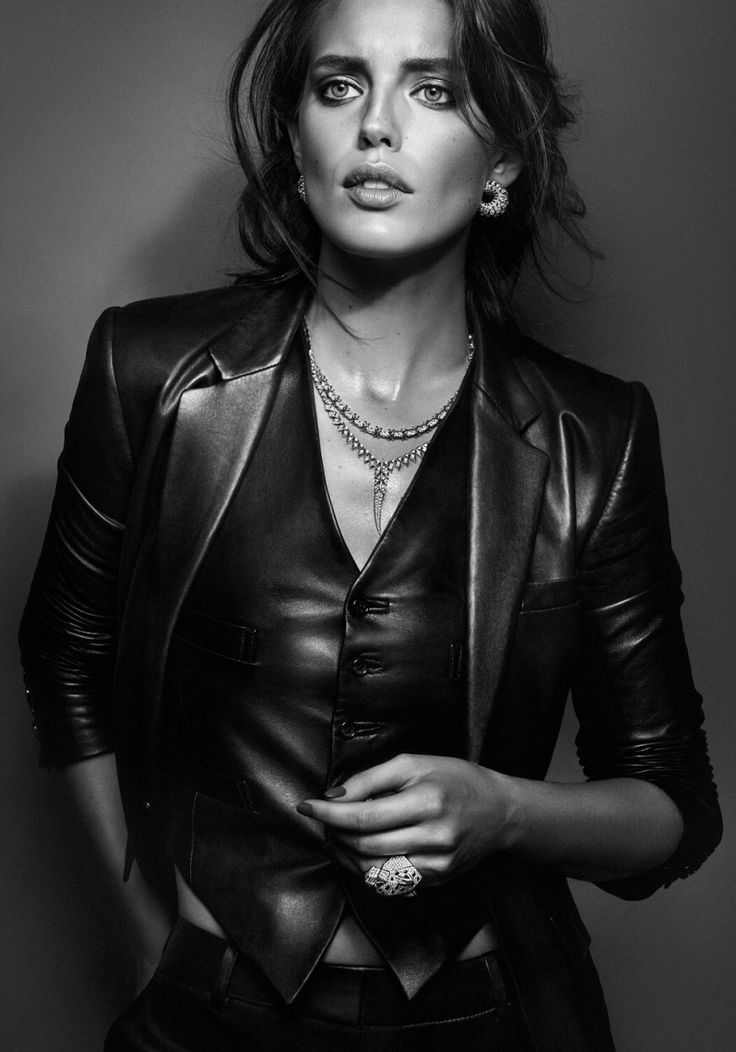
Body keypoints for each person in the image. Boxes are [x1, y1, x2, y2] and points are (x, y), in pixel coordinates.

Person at [19, 0, 722, 1048]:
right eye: (339, 84)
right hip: (206, 1017)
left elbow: (673, 809)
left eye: (433, 89)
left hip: (493, 1019)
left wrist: (505, 810)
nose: (376, 125)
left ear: (502, 162)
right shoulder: (152, 374)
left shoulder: (595, 435)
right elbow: (65, 649)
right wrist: (143, 937)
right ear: (295, 137)